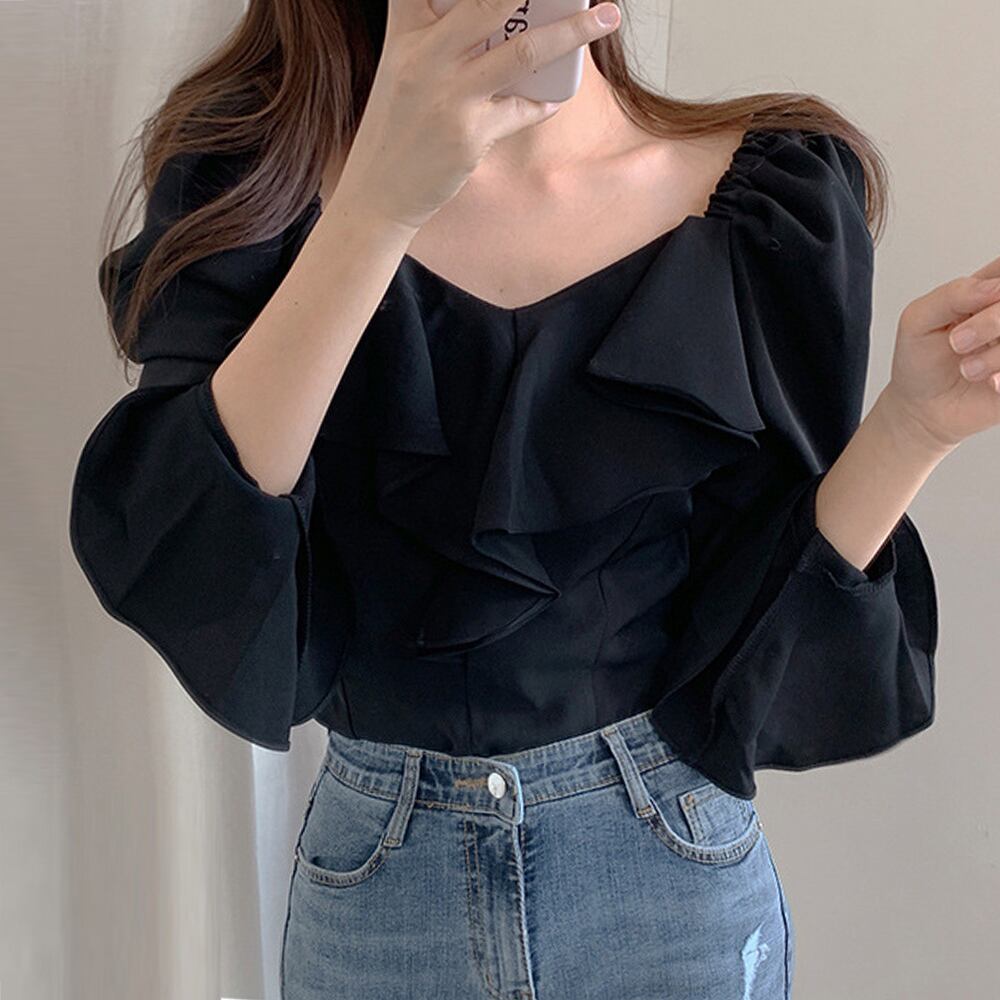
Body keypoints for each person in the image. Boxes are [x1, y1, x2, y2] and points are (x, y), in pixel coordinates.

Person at [70, 0, 998, 994]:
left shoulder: (772, 199)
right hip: (381, 890)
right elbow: (202, 566)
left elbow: (756, 657)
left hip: (667, 875)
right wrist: (377, 206)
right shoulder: (251, 188)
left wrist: (913, 426)